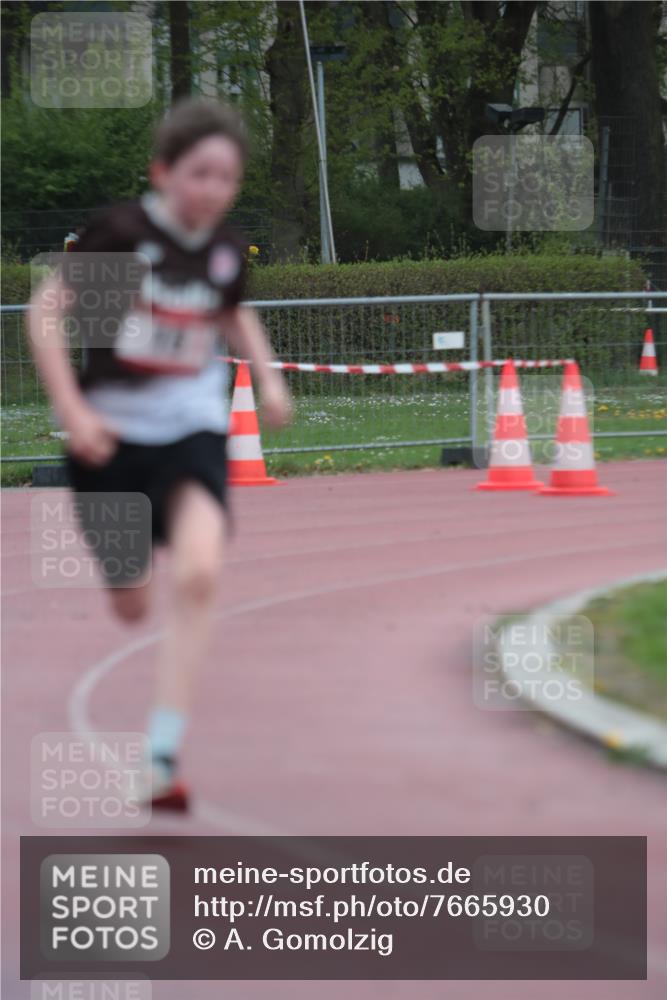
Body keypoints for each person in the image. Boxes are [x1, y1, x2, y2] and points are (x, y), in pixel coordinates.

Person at [28, 98, 293, 811]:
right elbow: (45, 314)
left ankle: (161, 755)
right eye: (199, 174)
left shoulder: (224, 250)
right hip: (109, 439)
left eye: (226, 179)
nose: (212, 191)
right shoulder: (122, 235)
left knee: (201, 572)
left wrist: (266, 375)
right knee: (131, 605)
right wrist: (74, 411)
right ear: (163, 171)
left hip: (189, 426)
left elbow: (231, 311)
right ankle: (126, 567)